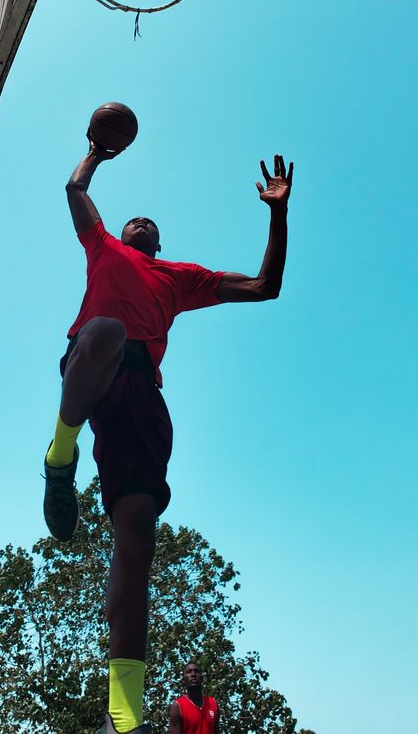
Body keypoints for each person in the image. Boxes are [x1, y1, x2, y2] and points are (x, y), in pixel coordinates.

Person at [43, 135, 293, 734]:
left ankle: (123, 717)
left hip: (142, 402)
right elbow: (75, 190)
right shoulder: (101, 247)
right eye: (133, 219)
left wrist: (278, 213)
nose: (140, 221)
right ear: (121, 235)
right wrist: (96, 152)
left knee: (137, 547)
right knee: (103, 331)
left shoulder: (178, 279)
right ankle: (60, 454)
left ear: (158, 243)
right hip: (94, 367)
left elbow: (265, 287)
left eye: (149, 222)